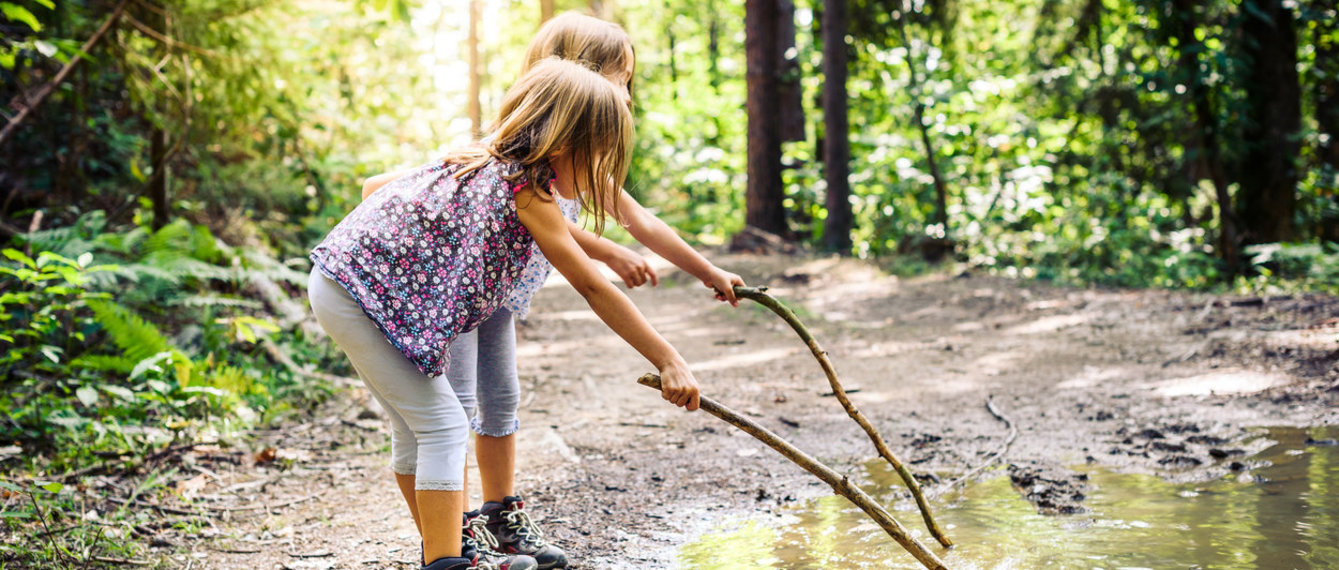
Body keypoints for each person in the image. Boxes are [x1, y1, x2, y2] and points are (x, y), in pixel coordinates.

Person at [358, 13, 746, 570]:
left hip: (497, 297)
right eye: (621, 78)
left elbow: (641, 223)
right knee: (457, 409)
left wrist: (707, 270)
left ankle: (501, 514)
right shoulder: (507, 152)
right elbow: (381, 188)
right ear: (579, 77)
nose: (626, 95)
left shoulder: (581, 159)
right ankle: (456, 536)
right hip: (458, 293)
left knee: (502, 398)